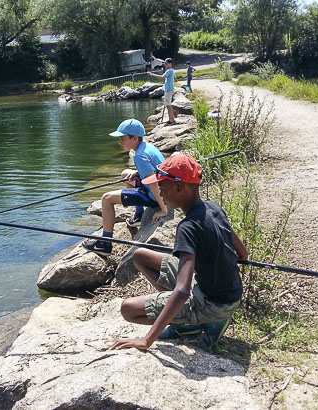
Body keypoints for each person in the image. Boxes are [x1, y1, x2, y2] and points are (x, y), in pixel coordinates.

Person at [109, 154, 248, 352]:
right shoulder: (213, 208)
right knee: (140, 256)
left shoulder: (187, 227)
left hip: (212, 305)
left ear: (179, 188)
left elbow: (182, 291)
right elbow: (243, 254)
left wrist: (146, 340)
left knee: (128, 309)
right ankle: (183, 319)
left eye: (162, 187)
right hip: (228, 295)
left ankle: (191, 322)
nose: (159, 192)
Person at [82, 119, 169, 256]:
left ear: (134, 138)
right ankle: (139, 215)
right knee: (126, 174)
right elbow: (153, 172)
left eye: (122, 138)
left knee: (106, 198)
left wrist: (163, 210)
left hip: (154, 195)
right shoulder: (146, 147)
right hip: (164, 190)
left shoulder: (140, 156)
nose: (119, 142)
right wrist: (137, 173)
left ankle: (105, 244)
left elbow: (153, 183)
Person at [147, 58, 177, 126]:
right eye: (165, 63)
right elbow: (176, 80)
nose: (165, 65)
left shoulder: (169, 70)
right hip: (170, 89)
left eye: (166, 63)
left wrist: (151, 74)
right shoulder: (172, 71)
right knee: (168, 105)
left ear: (170, 64)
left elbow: (161, 77)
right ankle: (171, 119)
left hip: (168, 89)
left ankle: (171, 121)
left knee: (168, 105)